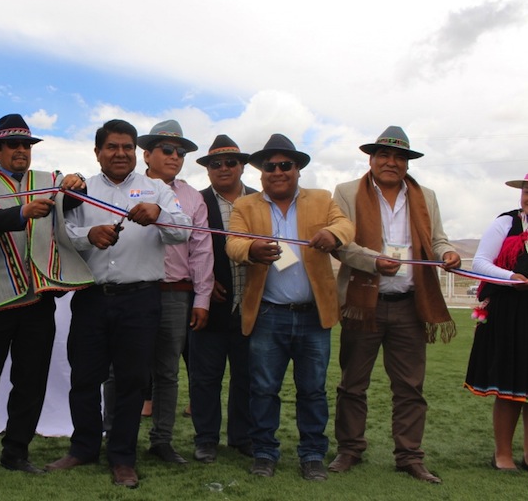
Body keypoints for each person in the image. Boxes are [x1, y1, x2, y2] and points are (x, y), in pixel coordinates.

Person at [47, 119, 191, 489]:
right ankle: (83, 448)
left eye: (127, 147)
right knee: (84, 378)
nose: (120, 153)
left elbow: (184, 230)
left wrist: (159, 216)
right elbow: (61, 234)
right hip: (92, 298)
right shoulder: (80, 191)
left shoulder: (156, 189)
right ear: (97, 152)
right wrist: (87, 235)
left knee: (130, 381)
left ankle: (123, 457)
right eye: (112, 146)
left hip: (141, 298)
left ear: (136, 151)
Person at [0, 114, 93, 479]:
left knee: (31, 381)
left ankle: (16, 452)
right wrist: (21, 212)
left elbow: (73, 203)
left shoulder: (49, 181)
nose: (21, 151)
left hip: (38, 297)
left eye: (26, 145)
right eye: (13, 145)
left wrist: (77, 185)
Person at [330, 126, 459, 484]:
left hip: (409, 305)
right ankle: (350, 448)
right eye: (384, 155)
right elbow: (342, 244)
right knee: (352, 384)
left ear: (406, 163)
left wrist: (447, 252)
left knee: (410, 387)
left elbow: (437, 240)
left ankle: (409, 456)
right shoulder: (345, 193)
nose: (391, 162)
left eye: (399, 157)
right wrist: (374, 261)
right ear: (371, 159)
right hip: (362, 302)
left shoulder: (425, 196)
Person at [226, 133, 353, 481]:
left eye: (286, 165)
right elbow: (233, 243)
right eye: (270, 166)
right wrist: (251, 251)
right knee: (263, 389)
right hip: (267, 314)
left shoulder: (322, 199)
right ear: (261, 172)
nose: (278, 171)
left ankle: (312, 455)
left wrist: (334, 235)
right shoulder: (245, 206)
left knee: (312, 390)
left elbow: (345, 224)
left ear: (297, 169)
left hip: (314, 316)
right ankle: (264, 452)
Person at [135, 120, 213, 465]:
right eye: (166, 149)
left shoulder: (192, 197)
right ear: (147, 154)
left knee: (167, 371)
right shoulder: (127, 187)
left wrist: (202, 299)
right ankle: (113, 436)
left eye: (180, 152)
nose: (175, 156)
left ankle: (161, 440)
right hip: (132, 290)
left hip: (174, 293)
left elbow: (202, 250)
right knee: (120, 369)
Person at [189, 135, 256, 463]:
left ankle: (242, 437)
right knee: (205, 378)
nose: (224, 168)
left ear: (242, 165)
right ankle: (205, 439)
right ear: (207, 170)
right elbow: (180, 250)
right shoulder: (196, 201)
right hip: (211, 306)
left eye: (231, 162)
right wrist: (200, 280)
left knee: (247, 377)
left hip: (252, 305)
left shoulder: (262, 200)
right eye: (216, 164)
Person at [465, 173, 528, 471]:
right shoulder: (505, 223)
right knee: (508, 383)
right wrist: (510, 277)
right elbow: (480, 263)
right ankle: (503, 454)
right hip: (509, 312)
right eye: (526, 190)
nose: (527, 196)